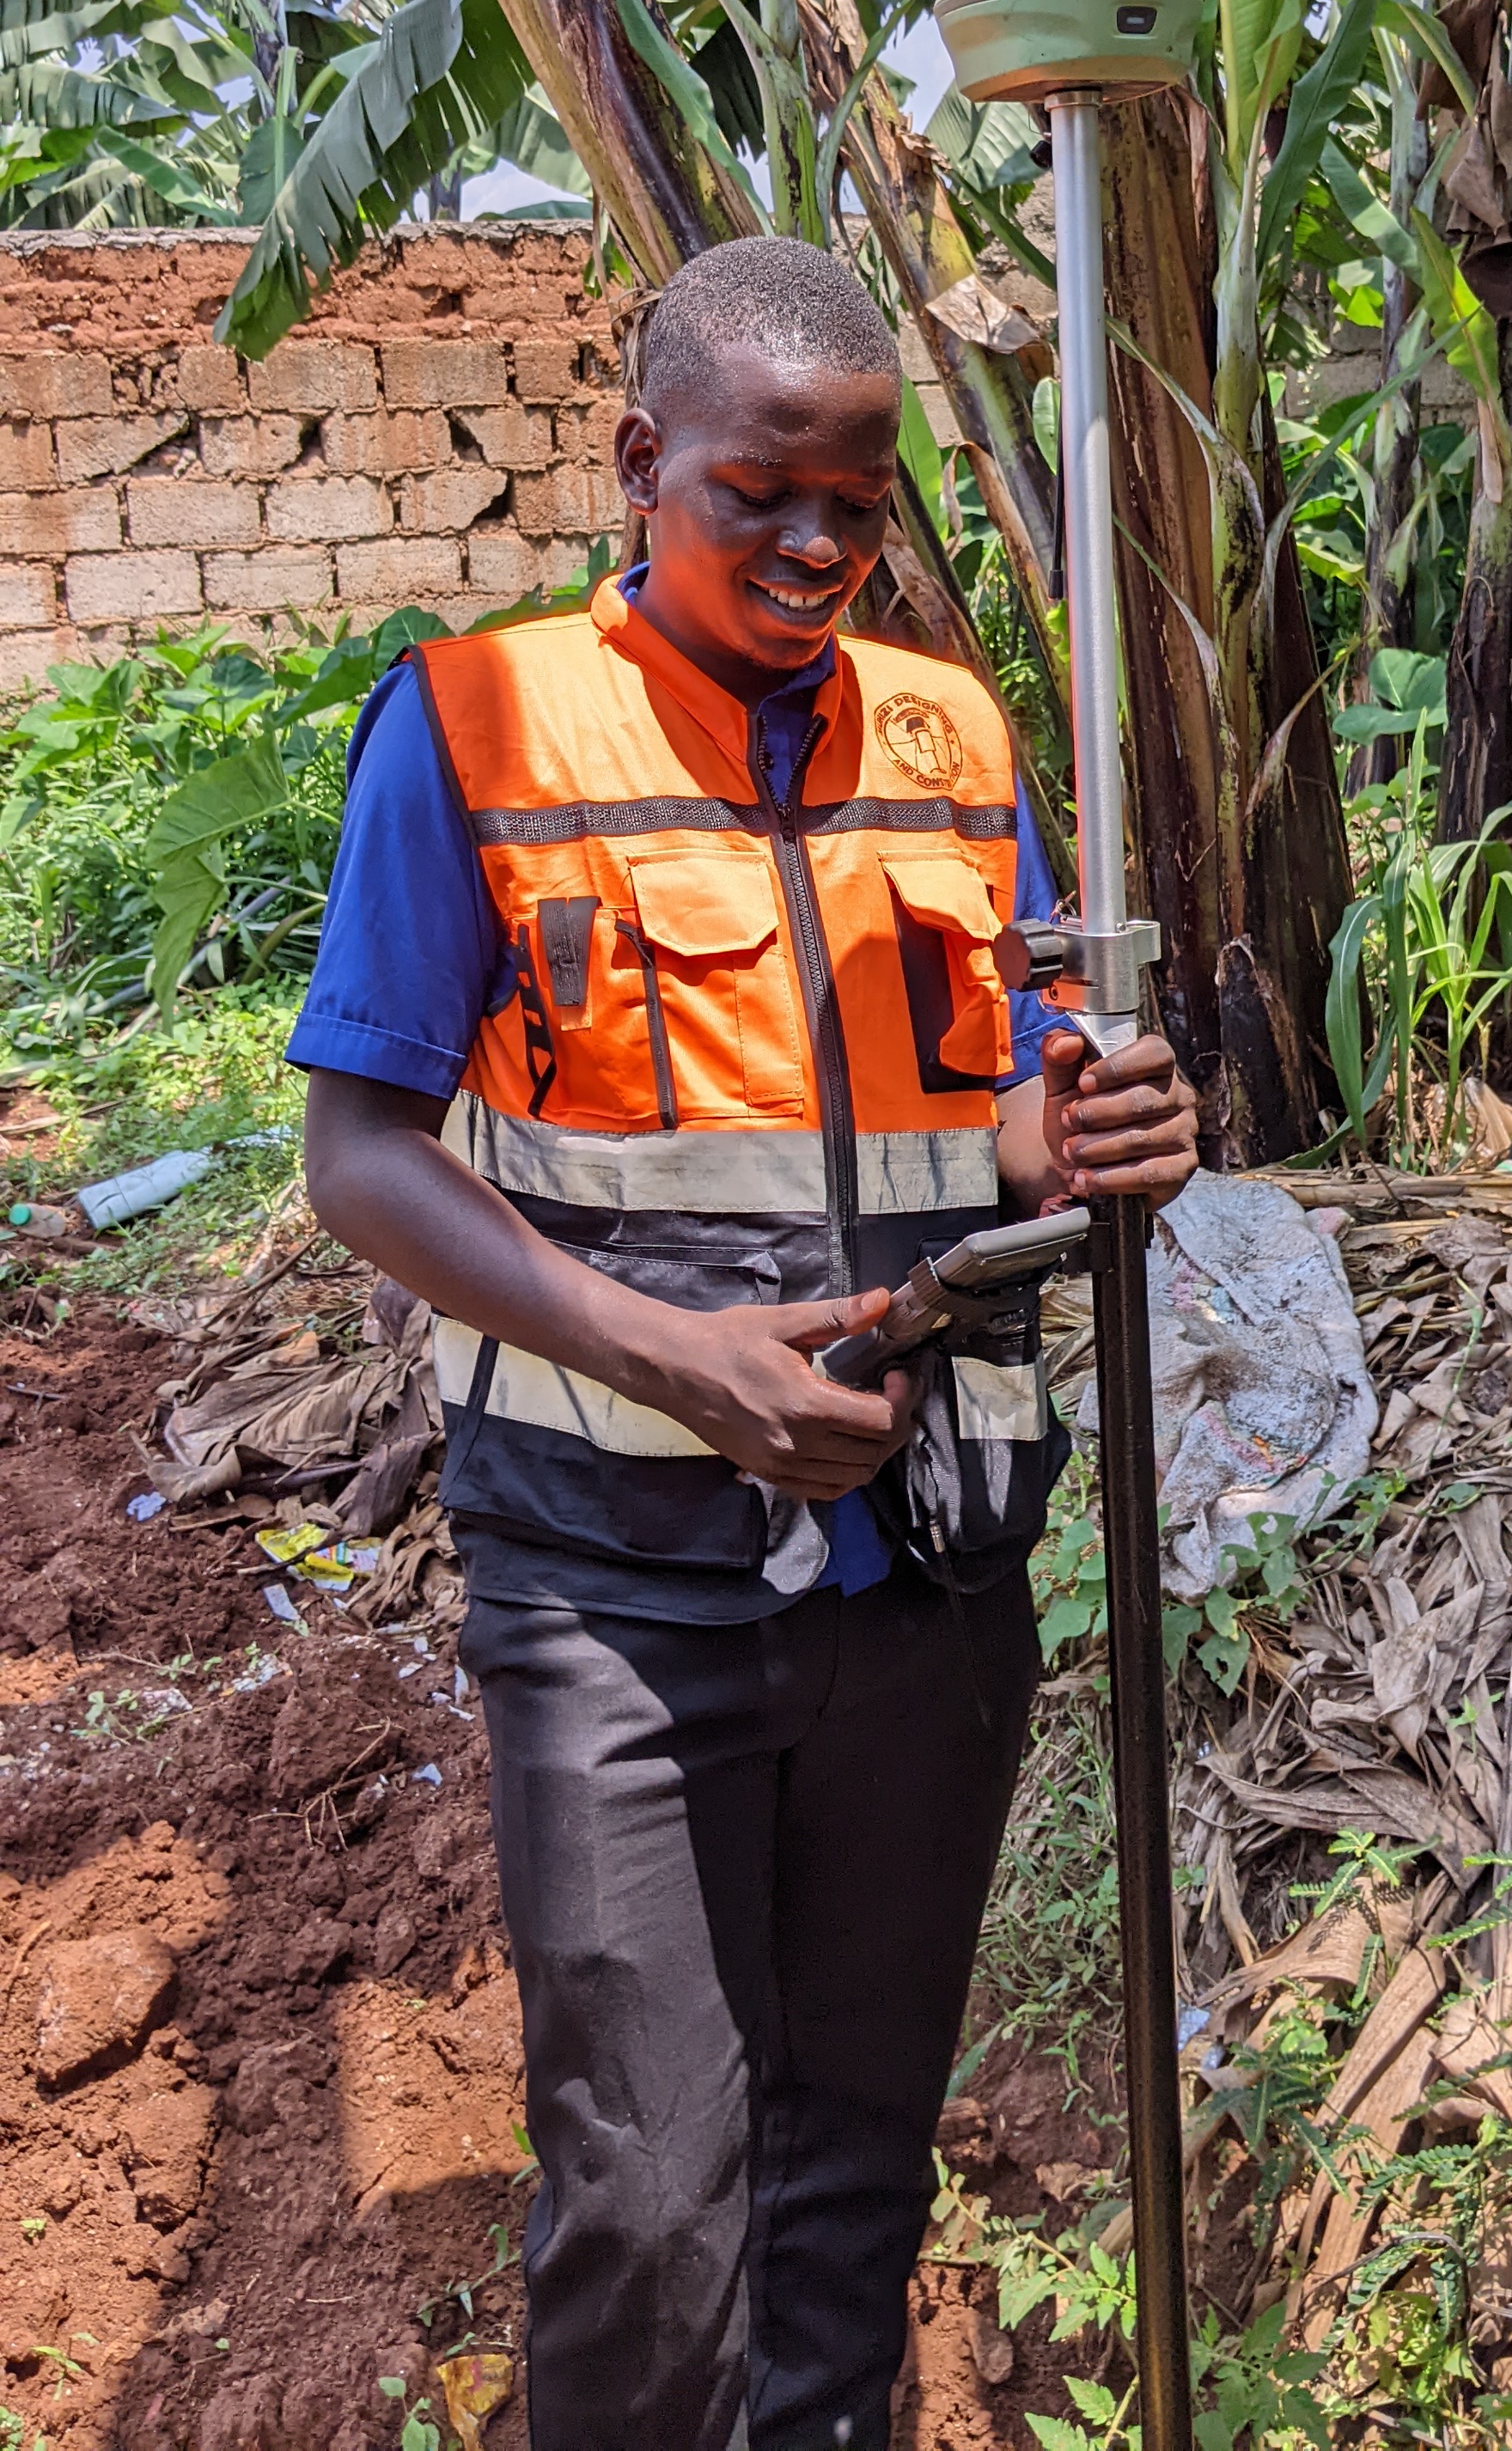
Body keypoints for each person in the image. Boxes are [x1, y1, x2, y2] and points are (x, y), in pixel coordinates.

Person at [292, 235, 1198, 2451]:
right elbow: (366, 1155)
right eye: (760, 494)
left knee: (854, 2167)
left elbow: (985, 1098)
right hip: (616, 1575)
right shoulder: (482, 719)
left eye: (861, 507)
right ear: (637, 462)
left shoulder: (954, 727)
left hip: (925, 1568)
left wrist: (1080, 1131)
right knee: (652, 2191)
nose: (818, 546)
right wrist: (681, 1365)